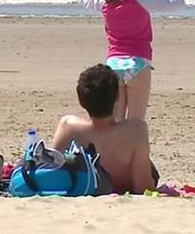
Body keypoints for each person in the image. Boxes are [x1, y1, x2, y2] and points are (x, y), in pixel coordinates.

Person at [76, 0, 184, 121]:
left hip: (113, 65)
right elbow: (177, 2)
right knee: (136, 123)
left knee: (114, 123)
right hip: (138, 64)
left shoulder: (104, 2)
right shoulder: (142, 0)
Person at [51, 64, 157, 194]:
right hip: (123, 187)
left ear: (81, 101)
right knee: (151, 169)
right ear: (117, 97)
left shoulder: (68, 127)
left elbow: (53, 172)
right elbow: (143, 188)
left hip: (85, 186)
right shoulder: (136, 130)